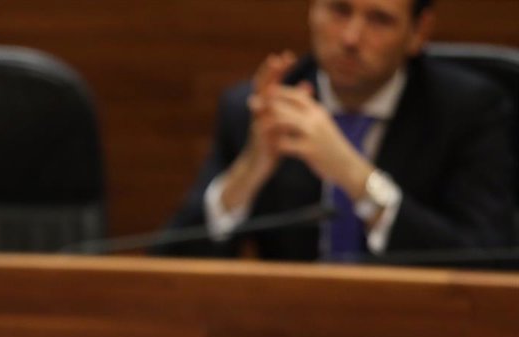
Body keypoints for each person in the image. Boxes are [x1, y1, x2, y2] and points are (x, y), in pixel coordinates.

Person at [158, 0, 515, 263]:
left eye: (379, 20)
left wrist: (355, 177)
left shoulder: (470, 112)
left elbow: (488, 263)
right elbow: (170, 269)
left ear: (418, 32)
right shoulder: (259, 110)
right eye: (339, 10)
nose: (350, 38)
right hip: (288, 329)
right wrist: (248, 172)